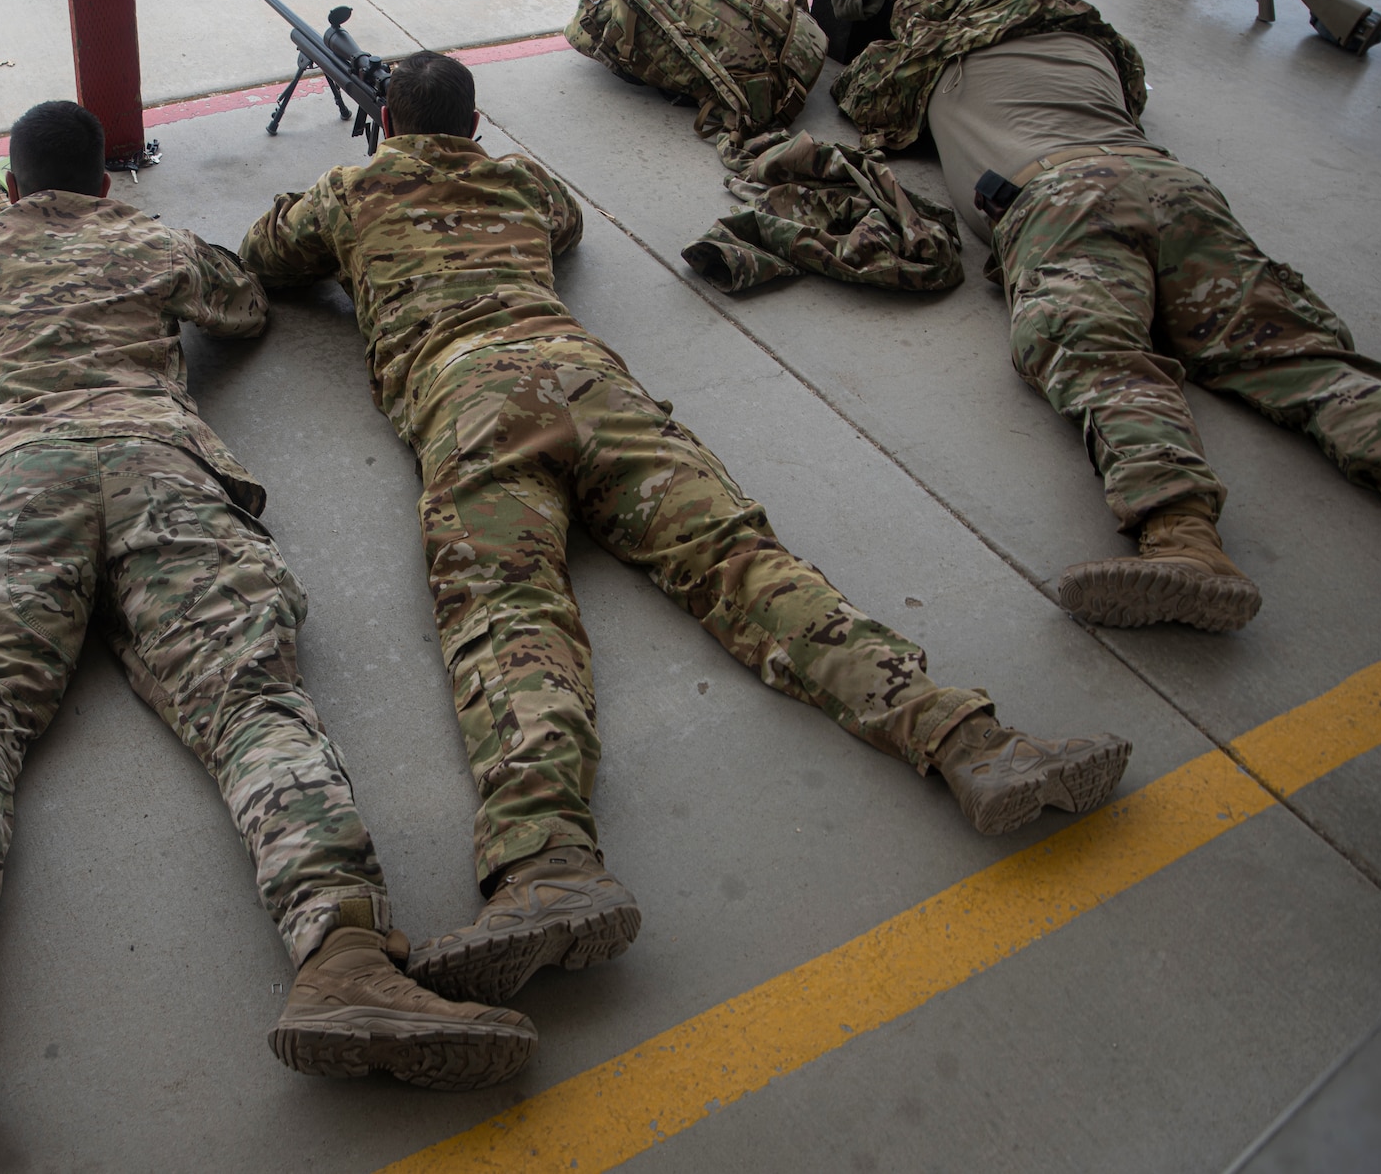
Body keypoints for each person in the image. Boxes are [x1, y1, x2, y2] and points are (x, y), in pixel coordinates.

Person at [0, 102, 536, 1174]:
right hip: (160, 469)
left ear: (9, 189)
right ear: (105, 183)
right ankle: (343, 955)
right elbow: (240, 308)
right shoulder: (145, 238)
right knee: (249, 702)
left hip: (16, 485)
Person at [239, 53, 1132, 1007]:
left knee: (507, 614)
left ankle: (548, 862)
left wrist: (369, 186)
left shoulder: (349, 187)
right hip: (589, 374)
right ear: (476, 120)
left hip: (470, 395)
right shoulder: (520, 177)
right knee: (742, 563)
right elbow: (566, 225)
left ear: (383, 115)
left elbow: (267, 254)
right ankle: (972, 741)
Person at [830, 0, 1381, 631]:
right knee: (1302, 357)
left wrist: (895, 20)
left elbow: (862, 99)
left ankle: (1182, 538)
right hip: (1176, 190)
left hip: (1062, 198)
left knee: (1100, 355)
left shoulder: (934, 61)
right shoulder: (1097, 47)